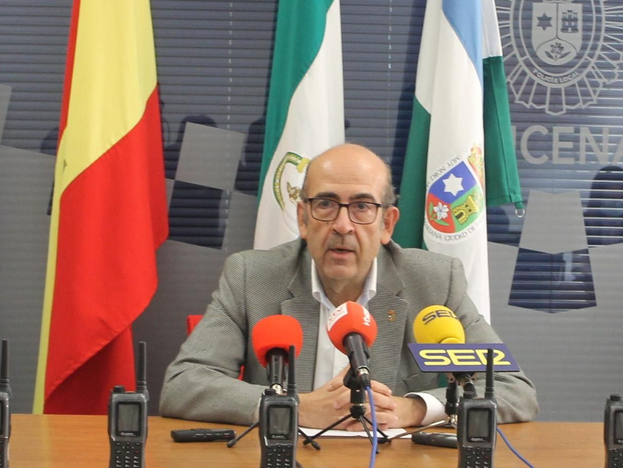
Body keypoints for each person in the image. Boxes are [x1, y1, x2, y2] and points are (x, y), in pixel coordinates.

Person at [163, 143, 538, 428]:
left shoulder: (434, 282)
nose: (342, 225)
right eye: (326, 204)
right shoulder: (252, 277)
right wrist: (294, 408)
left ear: (387, 224)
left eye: (361, 207)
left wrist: (416, 408)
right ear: (303, 218)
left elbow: (512, 389)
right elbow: (184, 384)